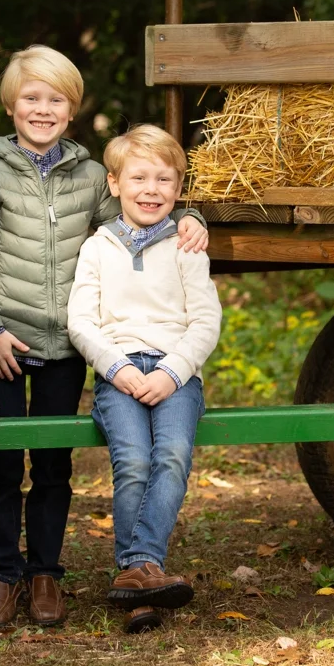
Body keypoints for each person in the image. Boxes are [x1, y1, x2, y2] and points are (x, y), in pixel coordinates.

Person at [0, 47, 208, 628]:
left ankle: (45, 574)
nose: (43, 110)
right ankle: (2, 576)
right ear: (11, 105)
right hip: (4, 346)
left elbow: (140, 213)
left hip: (66, 348)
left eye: (56, 99)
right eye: (31, 98)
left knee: (51, 465)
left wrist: (194, 217)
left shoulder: (94, 175)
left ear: (72, 109)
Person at [66, 124, 223, 633]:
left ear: (178, 190)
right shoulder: (98, 248)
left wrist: (174, 372)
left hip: (176, 374)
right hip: (120, 376)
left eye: (163, 180)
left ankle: (137, 574)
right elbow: (81, 323)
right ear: (114, 184)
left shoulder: (186, 246)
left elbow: (205, 322)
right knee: (133, 461)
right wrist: (120, 369)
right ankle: (144, 574)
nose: (151, 190)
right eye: (139, 178)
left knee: (172, 456)